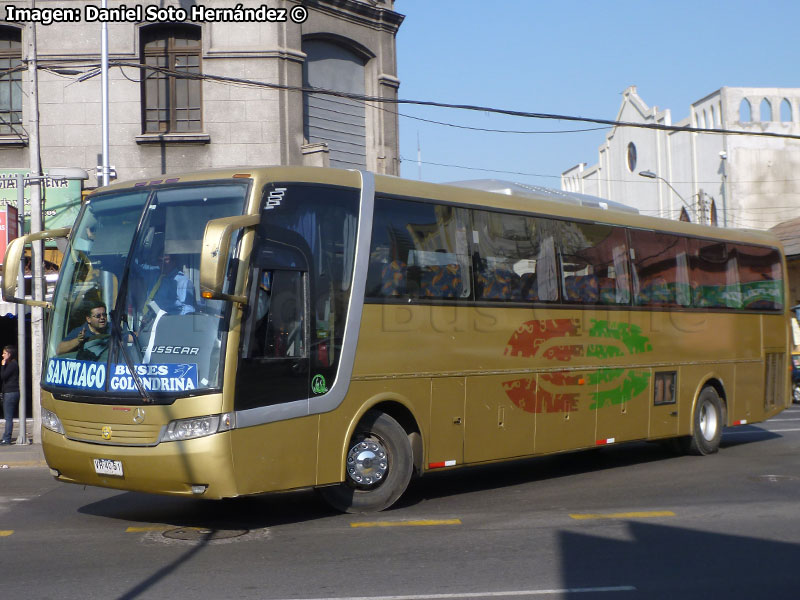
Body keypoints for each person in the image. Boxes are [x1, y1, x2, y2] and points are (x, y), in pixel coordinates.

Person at [137, 253, 196, 317]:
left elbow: (188, 310)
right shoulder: (153, 274)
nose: (163, 264)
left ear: (174, 262)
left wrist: (170, 318)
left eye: (166, 260)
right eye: (160, 261)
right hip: (149, 319)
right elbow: (136, 268)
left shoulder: (183, 282)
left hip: (169, 320)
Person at [1, 346, 20, 445]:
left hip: (11, 393)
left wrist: (3, 365)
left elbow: (3, 376)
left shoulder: (12, 364)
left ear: (9, 354)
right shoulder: (12, 364)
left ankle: (7, 439)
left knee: (8, 417)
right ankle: (5, 437)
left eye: (4, 353)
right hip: (9, 392)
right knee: (7, 417)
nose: (2, 355)